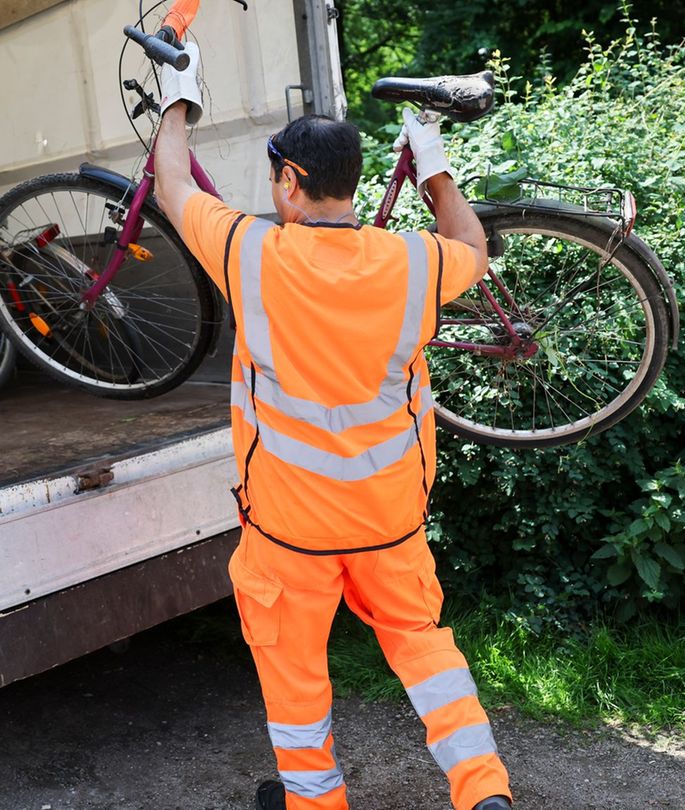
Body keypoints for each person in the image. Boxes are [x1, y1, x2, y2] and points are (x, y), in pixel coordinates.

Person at [150, 38, 515, 810]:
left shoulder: (249, 255)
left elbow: (172, 181)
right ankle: (484, 794)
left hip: (289, 532)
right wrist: (435, 165)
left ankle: (317, 803)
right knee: (426, 652)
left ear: (289, 181)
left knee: (293, 672)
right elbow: (474, 249)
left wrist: (180, 96)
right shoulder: (416, 263)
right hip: (389, 520)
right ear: (351, 183)